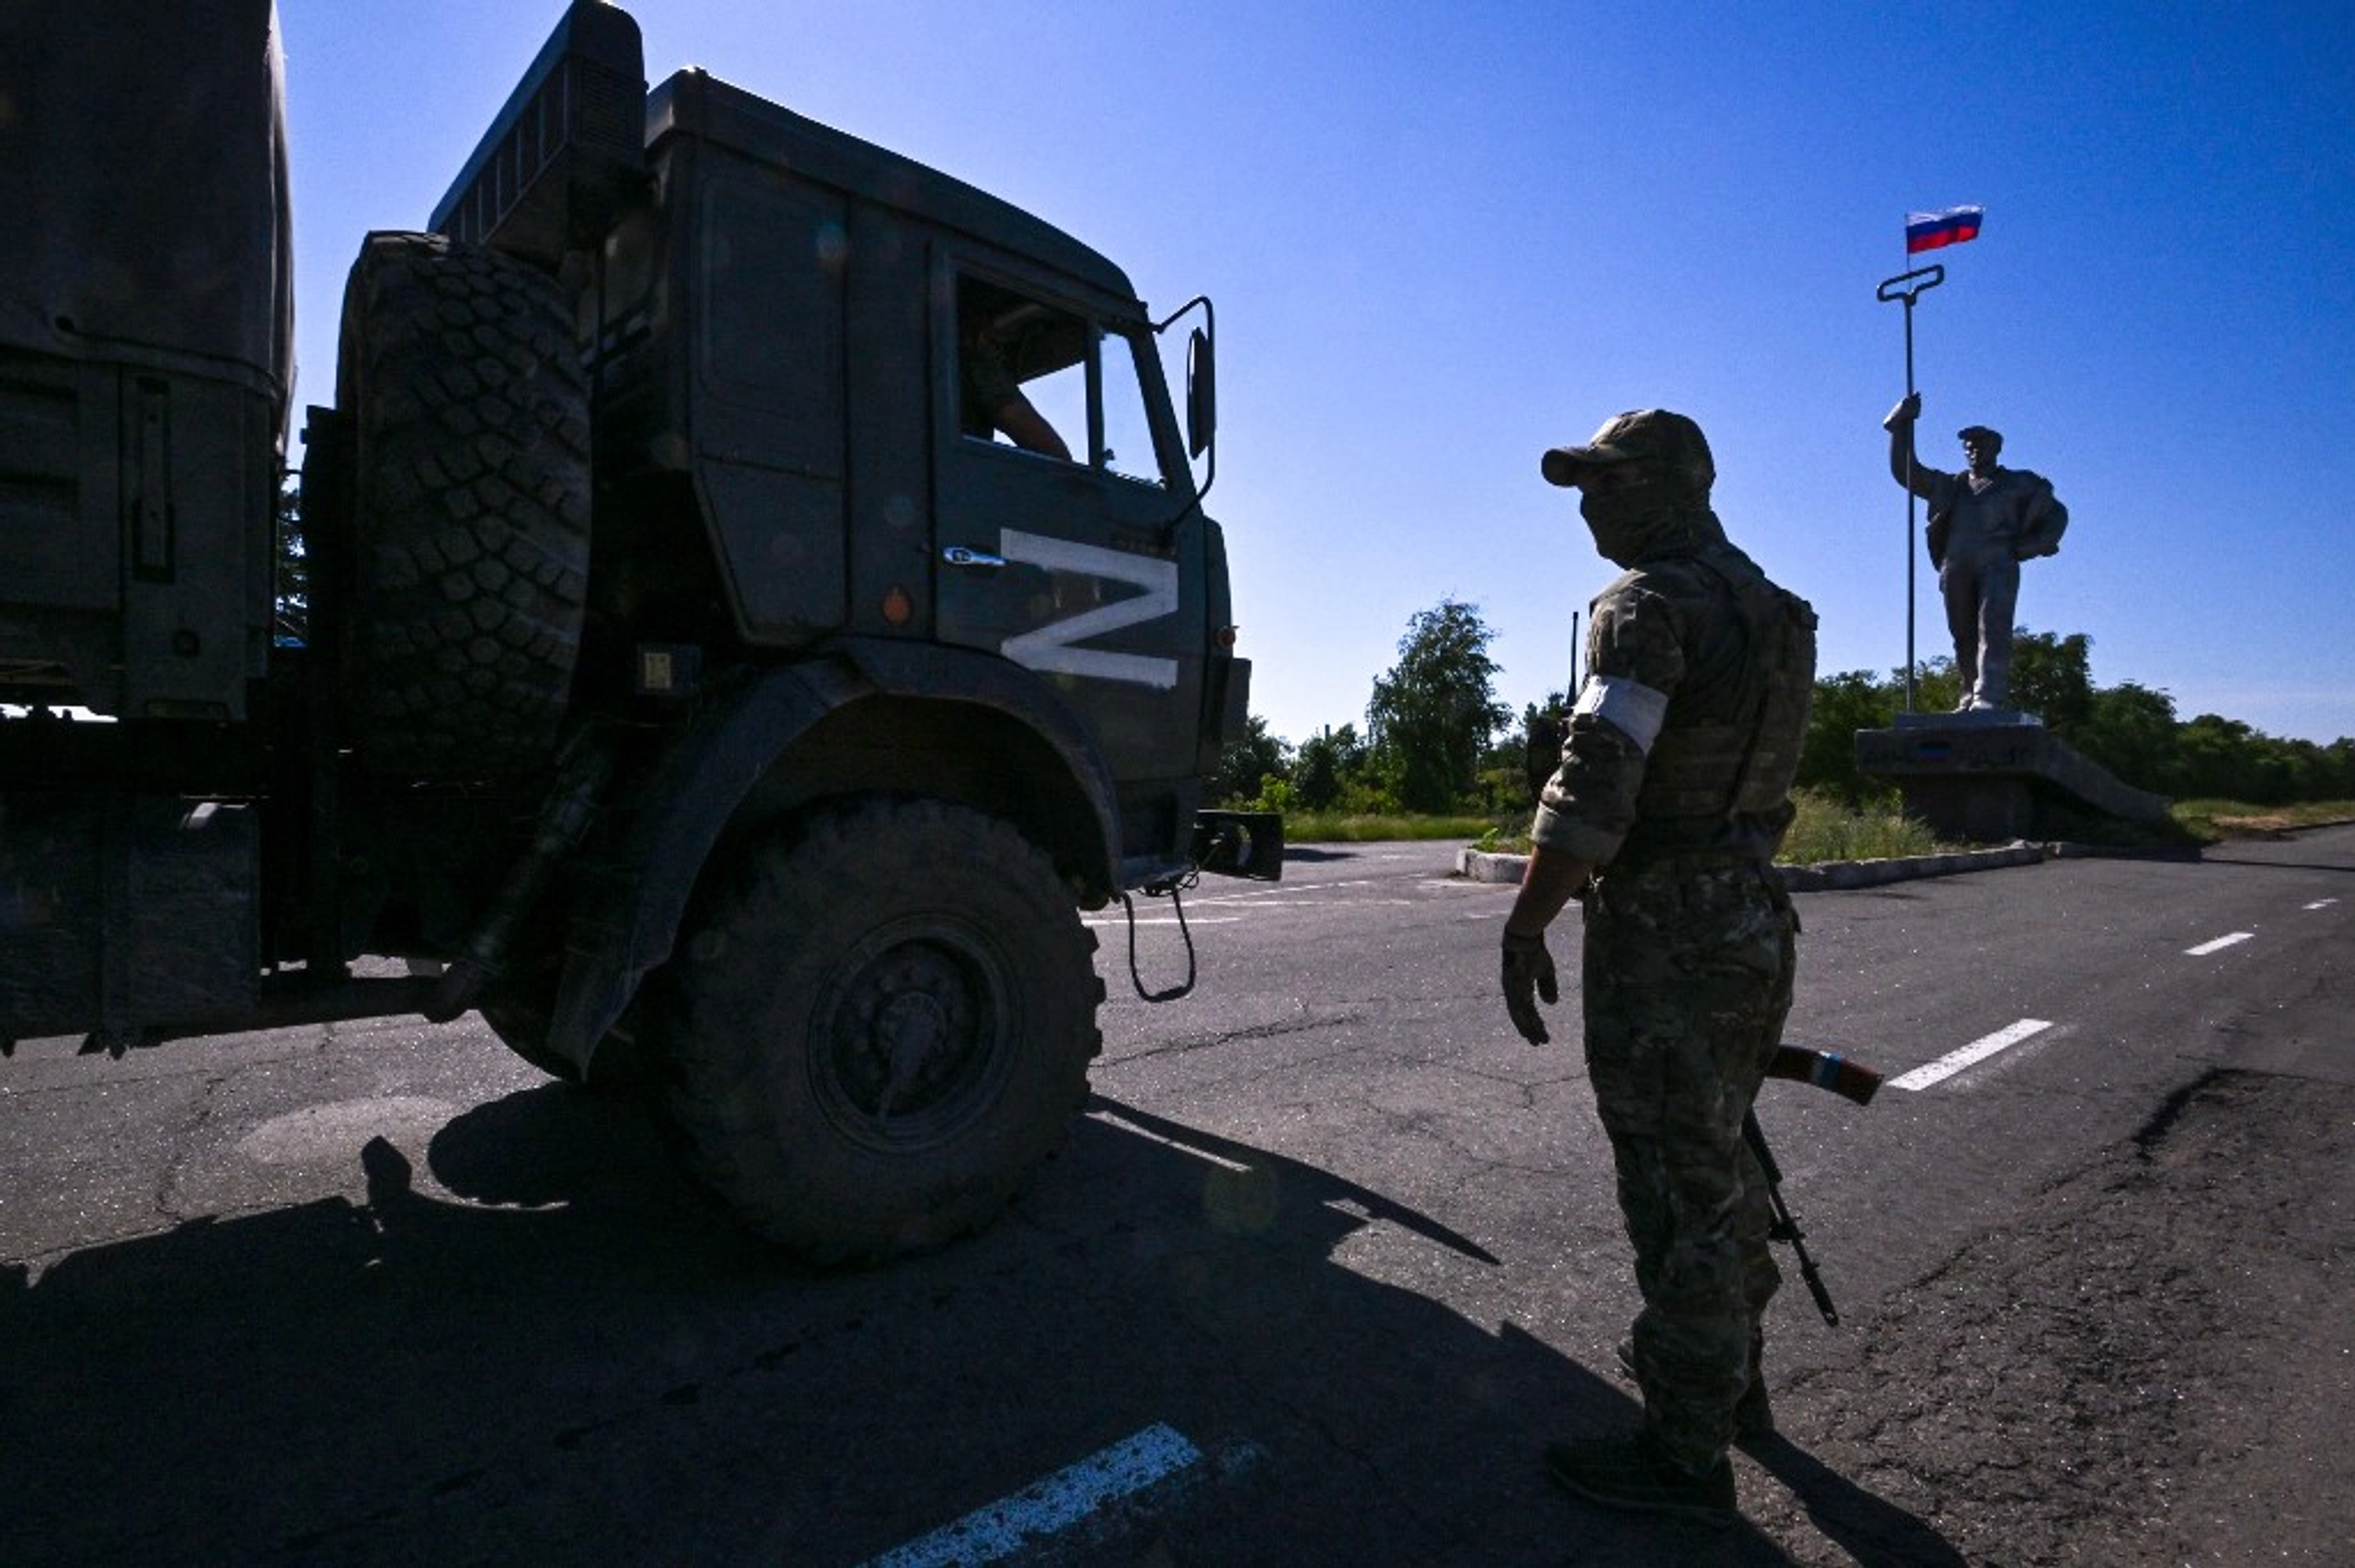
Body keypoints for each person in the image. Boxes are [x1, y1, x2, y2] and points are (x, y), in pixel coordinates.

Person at [1500, 408, 1816, 1518]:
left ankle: (1685, 1454)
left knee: (1676, 1191)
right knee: (1720, 1162)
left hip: (1667, 923)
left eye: (1610, 479)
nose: (1590, 502)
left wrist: (1527, 918)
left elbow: (1598, 778)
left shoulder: (1643, 605)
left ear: (1673, 485)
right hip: (1749, 908)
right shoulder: (1775, 610)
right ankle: (1733, 1385)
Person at [1883, 393, 2067, 712]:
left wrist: (2031, 547)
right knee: (1963, 633)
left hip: (1998, 561)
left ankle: (1988, 695)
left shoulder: (2019, 483)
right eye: (1968, 445)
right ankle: (1969, 692)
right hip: (1956, 565)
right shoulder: (1950, 486)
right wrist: (1900, 426)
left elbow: (2057, 514)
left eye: (1980, 444)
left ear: (1996, 449)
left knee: (1992, 627)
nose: (1973, 450)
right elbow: (1907, 472)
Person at [961, 316, 1073, 461]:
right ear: (980, 339)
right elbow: (1055, 457)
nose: (998, 352)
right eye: (994, 343)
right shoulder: (976, 368)